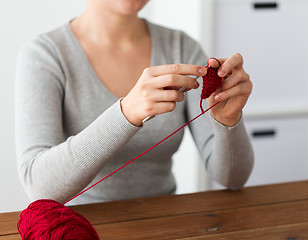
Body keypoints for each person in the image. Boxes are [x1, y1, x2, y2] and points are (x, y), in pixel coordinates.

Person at [15, 0, 254, 205]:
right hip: (80, 229)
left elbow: (233, 179)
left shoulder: (182, 48)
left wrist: (228, 121)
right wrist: (125, 113)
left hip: (167, 225)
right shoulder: (44, 55)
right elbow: (38, 186)